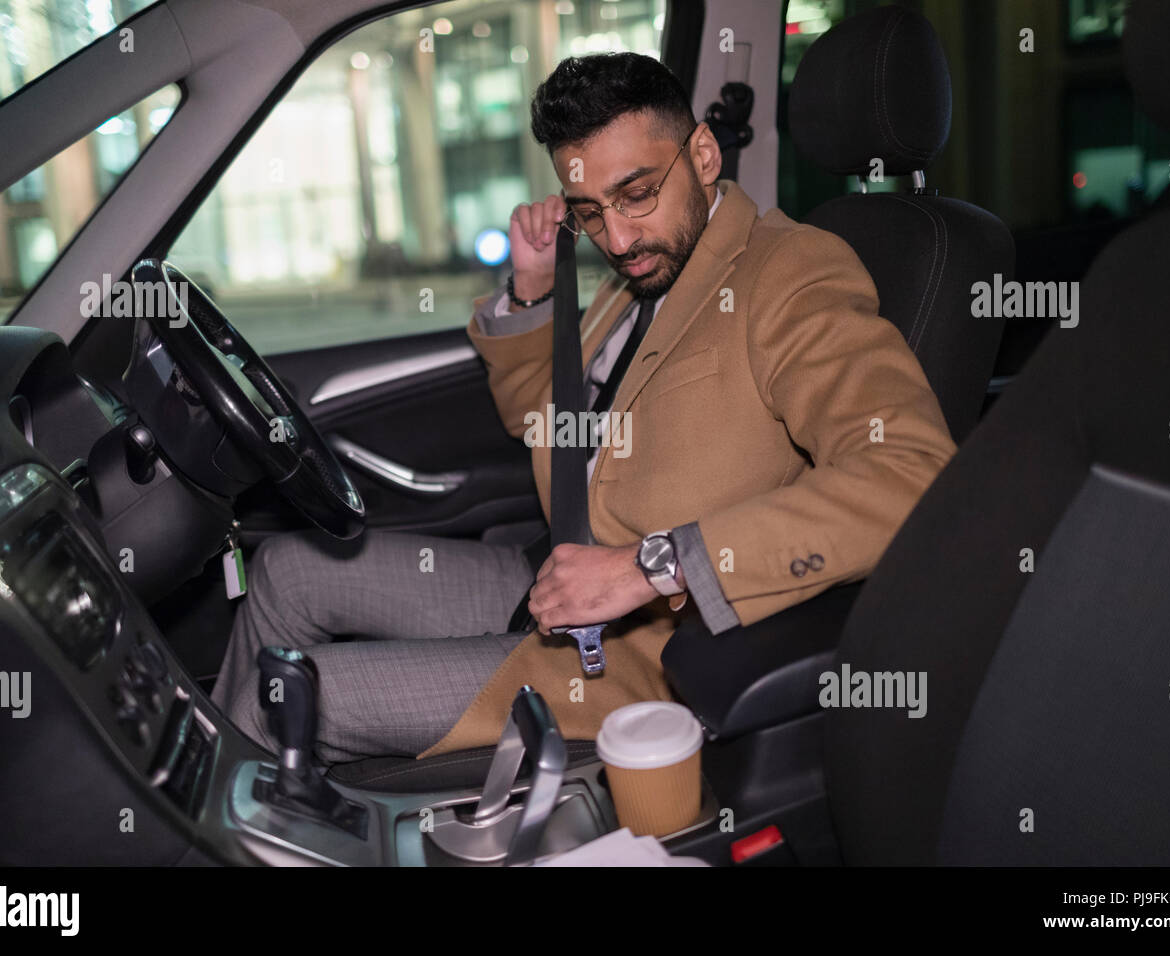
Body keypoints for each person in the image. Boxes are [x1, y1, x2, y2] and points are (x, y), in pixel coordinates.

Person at [211, 52, 957, 763]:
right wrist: (534, 290)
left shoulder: (790, 272)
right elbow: (541, 429)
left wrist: (652, 566)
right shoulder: (638, 275)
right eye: (589, 211)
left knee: (290, 695)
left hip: (643, 651)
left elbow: (911, 474)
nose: (618, 236)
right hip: (554, 571)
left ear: (702, 156)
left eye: (637, 194)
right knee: (285, 570)